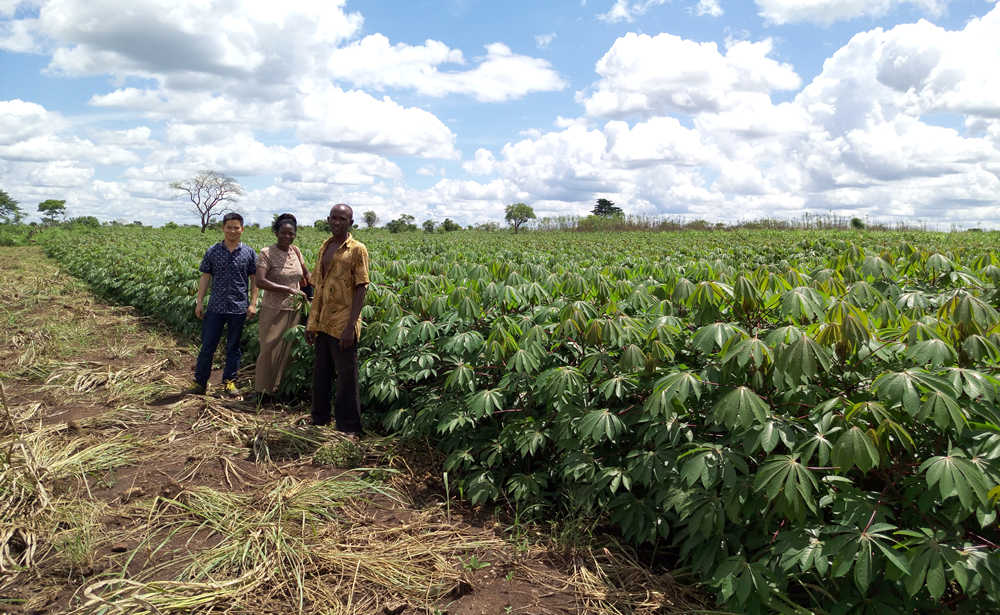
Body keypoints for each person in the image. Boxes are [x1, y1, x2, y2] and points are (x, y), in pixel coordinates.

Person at [305, 203, 369, 436]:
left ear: (351, 222)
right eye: (333, 217)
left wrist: (351, 327)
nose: (336, 222)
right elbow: (319, 287)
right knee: (321, 373)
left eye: (342, 219)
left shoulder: (357, 249)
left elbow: (362, 288)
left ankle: (349, 427)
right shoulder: (325, 246)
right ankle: (319, 418)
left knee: (346, 377)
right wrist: (312, 323)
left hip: (344, 322)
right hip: (323, 321)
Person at [190, 212, 258, 397]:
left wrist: (253, 303)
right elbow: (205, 277)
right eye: (229, 227)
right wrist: (199, 302)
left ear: (242, 229)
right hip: (215, 307)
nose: (233, 231)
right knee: (207, 346)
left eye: (236, 227)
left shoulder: (249, 253)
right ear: (223, 228)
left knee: (233, 348)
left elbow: (254, 280)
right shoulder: (213, 251)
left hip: (238, 307)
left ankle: (229, 383)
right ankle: (200, 383)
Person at [252, 213, 309, 404]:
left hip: (295, 308)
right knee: (268, 347)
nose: (287, 237)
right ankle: (261, 391)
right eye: (283, 233)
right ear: (276, 233)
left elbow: (305, 275)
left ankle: (279, 389)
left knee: (287, 349)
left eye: (291, 233)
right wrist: (287, 289)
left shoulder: (296, 251)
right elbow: (260, 281)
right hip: (273, 308)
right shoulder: (266, 253)